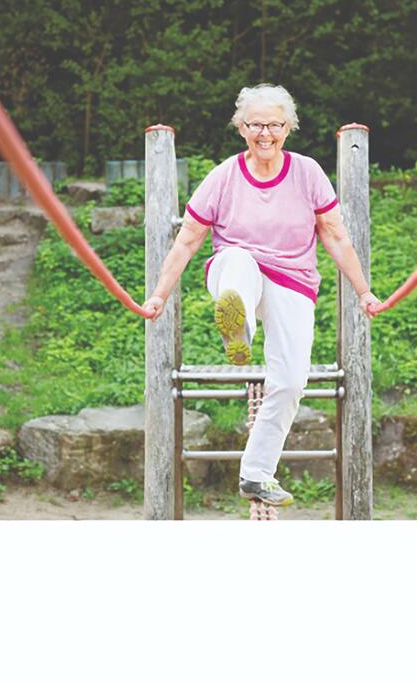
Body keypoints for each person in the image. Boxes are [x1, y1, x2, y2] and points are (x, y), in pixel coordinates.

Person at [142, 83, 380, 506]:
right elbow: (187, 240)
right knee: (237, 262)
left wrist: (363, 291)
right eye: (255, 124)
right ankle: (239, 332)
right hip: (237, 271)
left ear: (288, 128)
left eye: (274, 124)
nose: (265, 133)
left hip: (293, 280)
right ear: (241, 128)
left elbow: (337, 237)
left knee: (290, 381)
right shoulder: (224, 176)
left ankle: (256, 475)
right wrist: (159, 295)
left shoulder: (307, 173)